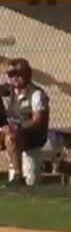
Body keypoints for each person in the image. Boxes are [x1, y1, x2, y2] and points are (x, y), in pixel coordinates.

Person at [0, 58, 50, 188]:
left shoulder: (36, 94)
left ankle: (18, 176)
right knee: (10, 134)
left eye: (18, 74)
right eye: (11, 75)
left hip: (32, 136)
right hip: (12, 132)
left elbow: (38, 121)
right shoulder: (9, 90)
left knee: (12, 136)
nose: (15, 78)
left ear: (28, 74)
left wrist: (18, 128)